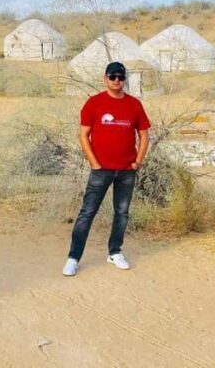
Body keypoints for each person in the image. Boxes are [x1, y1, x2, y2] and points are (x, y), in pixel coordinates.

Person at [63, 61, 150, 276]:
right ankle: (73, 258)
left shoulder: (134, 105)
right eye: (113, 77)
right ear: (105, 79)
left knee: (121, 213)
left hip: (126, 170)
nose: (117, 81)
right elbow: (83, 135)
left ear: (125, 80)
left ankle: (114, 252)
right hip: (101, 170)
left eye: (121, 77)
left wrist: (138, 161)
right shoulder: (94, 104)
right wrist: (94, 162)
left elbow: (144, 134)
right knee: (87, 213)